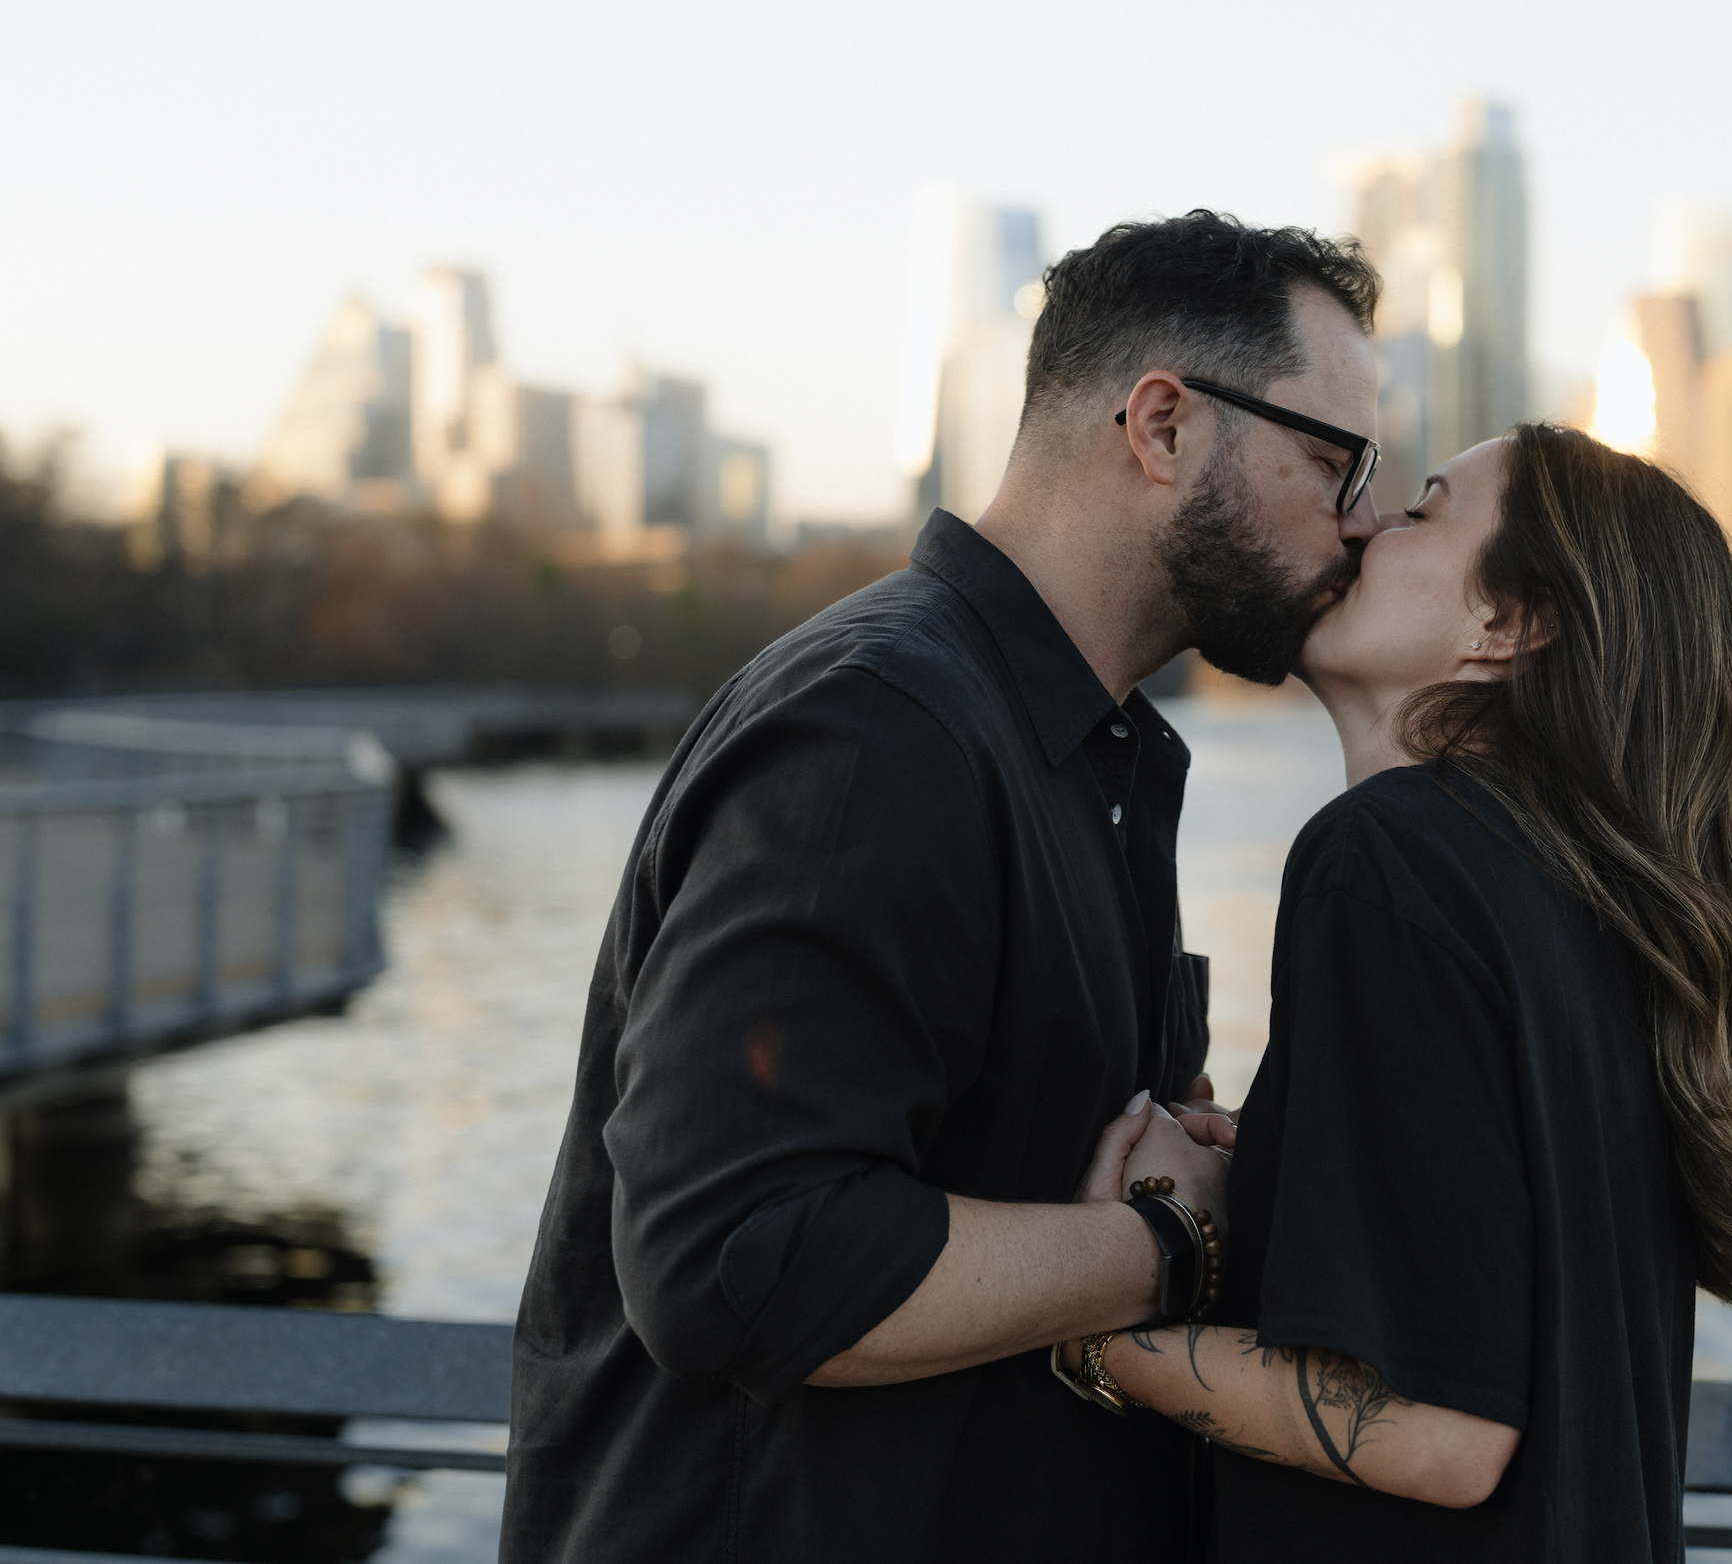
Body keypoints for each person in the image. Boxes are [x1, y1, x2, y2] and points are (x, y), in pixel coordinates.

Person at [499, 212, 1389, 1563]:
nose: (1363, 517)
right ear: (1163, 426)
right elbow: (743, 1257)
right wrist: (1174, 1241)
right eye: (1335, 459)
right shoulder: (880, 735)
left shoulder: (1086, 754)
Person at [1064, 422, 1732, 1560]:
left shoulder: (1386, 858)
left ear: (1507, 622)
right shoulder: (1588, 896)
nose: (1361, 523)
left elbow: (1439, 1432)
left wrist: (1090, 1335)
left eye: (1421, 511)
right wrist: (1278, 1182)